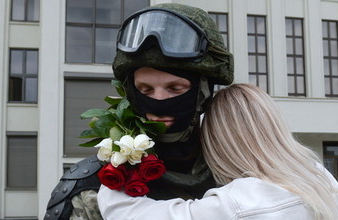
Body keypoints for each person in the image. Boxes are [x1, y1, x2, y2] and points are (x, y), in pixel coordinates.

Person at [44, 3, 233, 219]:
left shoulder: (240, 176)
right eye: (145, 89)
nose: (159, 101)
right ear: (131, 93)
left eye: (174, 88)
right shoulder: (90, 190)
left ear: (203, 92)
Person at [97, 84, 338, 220]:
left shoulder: (242, 202)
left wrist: (118, 161)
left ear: (219, 142)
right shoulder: (321, 180)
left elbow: (128, 214)